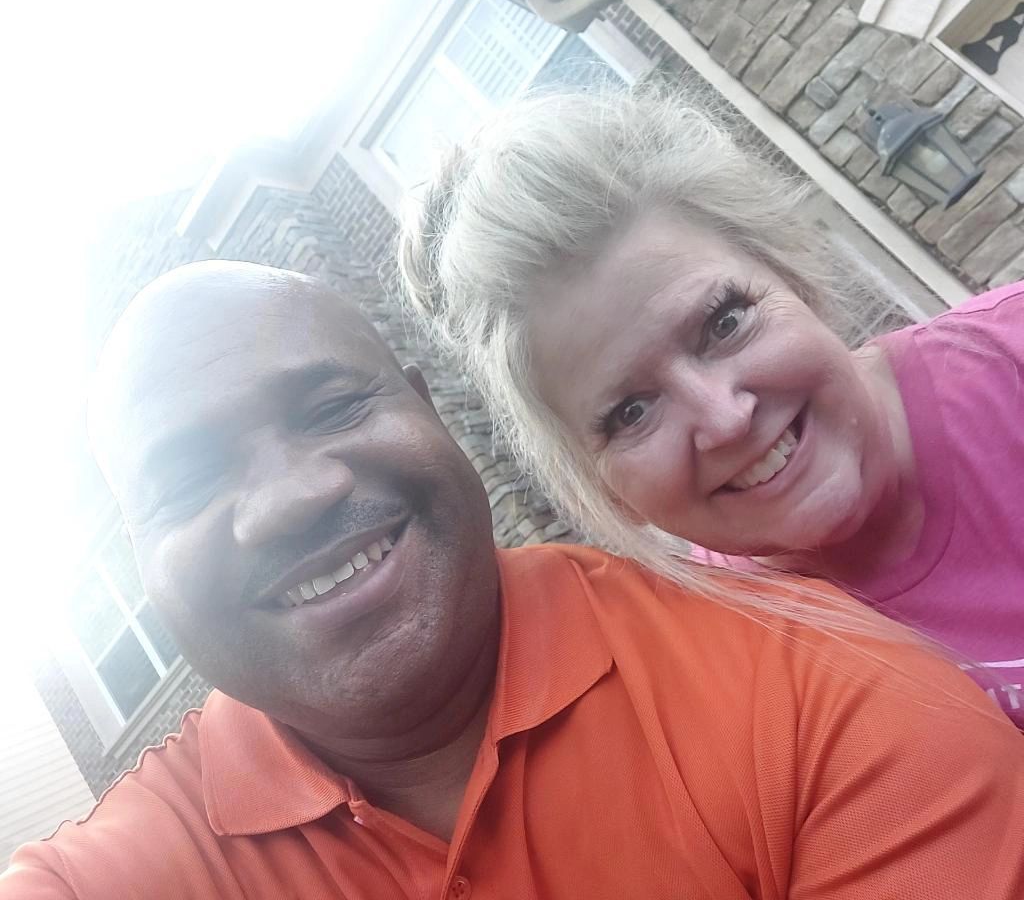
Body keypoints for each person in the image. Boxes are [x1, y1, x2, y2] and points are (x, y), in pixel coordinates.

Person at [4, 260, 1024, 899]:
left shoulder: (813, 682)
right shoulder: (131, 867)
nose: (288, 500)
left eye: (325, 407)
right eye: (186, 480)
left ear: (426, 408)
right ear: (140, 556)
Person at [397, 87, 1024, 728]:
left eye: (725, 322)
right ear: (605, 490)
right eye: (631, 412)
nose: (726, 419)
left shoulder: (1011, 354)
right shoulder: (733, 678)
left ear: (794, 277)